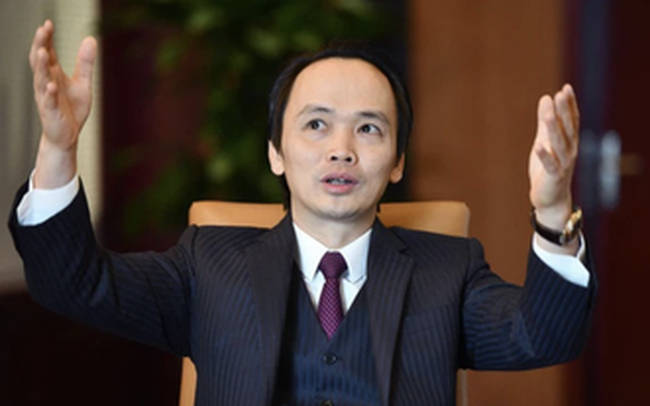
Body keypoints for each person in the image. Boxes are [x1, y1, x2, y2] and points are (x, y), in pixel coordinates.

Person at [9, 20, 595, 405]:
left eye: (369, 128)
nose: (341, 149)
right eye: (316, 124)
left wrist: (552, 211)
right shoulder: (208, 264)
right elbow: (74, 285)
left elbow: (545, 336)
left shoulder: (449, 270)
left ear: (397, 162)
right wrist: (59, 149)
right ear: (275, 153)